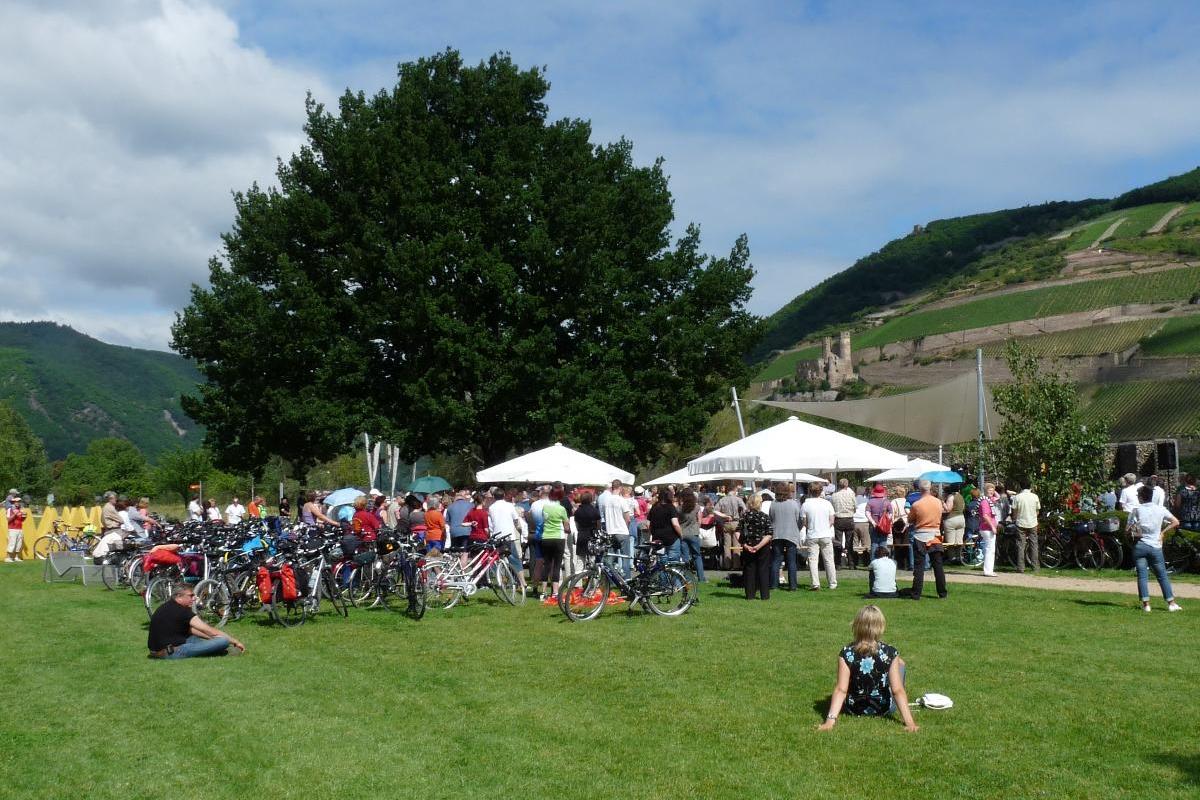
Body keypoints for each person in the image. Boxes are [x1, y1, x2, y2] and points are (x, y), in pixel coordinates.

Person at [817, 605, 918, 732]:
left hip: (853, 708)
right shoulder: (890, 652)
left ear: (857, 625)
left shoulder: (846, 653)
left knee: (896, 663)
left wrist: (829, 722)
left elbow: (841, 689)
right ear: (880, 626)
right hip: (884, 708)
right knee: (900, 665)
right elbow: (897, 690)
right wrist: (910, 723)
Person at [148, 584, 245, 659]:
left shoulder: (167, 606)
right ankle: (222, 648)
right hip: (170, 652)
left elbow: (191, 631)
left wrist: (212, 639)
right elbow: (211, 631)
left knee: (196, 638)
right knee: (223, 641)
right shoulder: (183, 611)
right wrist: (235, 642)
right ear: (179, 596)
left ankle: (218, 648)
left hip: (156, 651)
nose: (194, 598)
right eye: (191, 595)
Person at [1127, 483, 1183, 613]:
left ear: (1141, 497)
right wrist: (1162, 532)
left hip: (1140, 545)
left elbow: (1127, 530)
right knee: (1162, 575)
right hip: (1155, 545)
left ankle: (1146, 604)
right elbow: (1176, 521)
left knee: (1142, 576)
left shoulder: (1136, 510)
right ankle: (1171, 603)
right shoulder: (1160, 509)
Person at [907, 480, 947, 600]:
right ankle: (942, 593)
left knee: (919, 567)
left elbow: (910, 520)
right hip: (935, 535)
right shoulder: (938, 502)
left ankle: (916, 593)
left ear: (919, 489)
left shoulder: (917, 505)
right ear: (930, 488)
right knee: (938, 566)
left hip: (920, 535)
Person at [801, 482, 837, 590]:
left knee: (813, 560)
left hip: (812, 534)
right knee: (829, 560)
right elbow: (832, 520)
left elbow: (804, 521)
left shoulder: (806, 504)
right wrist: (825, 527)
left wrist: (811, 526)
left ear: (810, 491)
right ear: (821, 491)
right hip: (825, 534)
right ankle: (832, 583)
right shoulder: (827, 503)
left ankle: (815, 583)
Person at [737, 493, 773, 600]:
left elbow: (737, 532)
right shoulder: (764, 516)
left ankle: (750, 595)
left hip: (748, 545)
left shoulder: (744, 516)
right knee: (763, 570)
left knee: (749, 570)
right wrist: (759, 546)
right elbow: (769, 534)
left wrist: (745, 545)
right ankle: (765, 595)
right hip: (762, 546)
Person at [768, 485, 802, 591]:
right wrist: (797, 529)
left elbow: (771, 518)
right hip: (791, 534)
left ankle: (774, 585)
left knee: (776, 560)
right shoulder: (794, 504)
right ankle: (792, 586)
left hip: (776, 534)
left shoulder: (773, 504)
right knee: (791, 561)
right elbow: (799, 519)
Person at [539, 487, 570, 600]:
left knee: (546, 564)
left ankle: (543, 592)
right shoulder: (561, 509)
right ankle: (555, 592)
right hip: (558, 538)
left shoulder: (545, 507)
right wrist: (568, 529)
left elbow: (544, 520)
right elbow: (566, 525)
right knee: (556, 566)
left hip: (546, 537)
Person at [599, 480, 632, 578]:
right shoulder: (621, 500)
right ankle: (627, 579)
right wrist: (626, 527)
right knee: (625, 557)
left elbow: (605, 515)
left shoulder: (606, 500)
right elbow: (628, 518)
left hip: (610, 531)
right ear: (620, 488)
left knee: (610, 558)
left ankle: (610, 579)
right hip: (622, 531)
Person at [1010, 480, 1041, 574]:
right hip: (1033, 522)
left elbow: (1014, 511)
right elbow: (1037, 510)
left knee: (1020, 545)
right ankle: (1035, 567)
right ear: (1030, 486)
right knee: (1034, 544)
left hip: (1021, 522)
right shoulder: (1035, 496)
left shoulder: (1017, 497)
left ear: (1020, 487)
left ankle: (1020, 567)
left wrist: (1015, 519)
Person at [678, 488, 706, 586]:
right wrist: (697, 528)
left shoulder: (679, 508)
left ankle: (686, 578)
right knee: (697, 556)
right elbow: (700, 520)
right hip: (693, 533)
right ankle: (701, 578)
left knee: (685, 557)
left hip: (682, 534)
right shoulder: (697, 507)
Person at [648, 487, 683, 563]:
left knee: (661, 561)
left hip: (657, 538)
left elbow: (650, 524)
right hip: (671, 538)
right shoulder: (671, 507)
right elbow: (675, 524)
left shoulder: (654, 507)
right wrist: (681, 535)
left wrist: (652, 534)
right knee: (673, 562)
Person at [716, 485, 745, 569]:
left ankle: (727, 565)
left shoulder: (722, 499)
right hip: (736, 522)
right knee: (736, 544)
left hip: (726, 523)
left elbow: (715, 510)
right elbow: (745, 509)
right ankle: (736, 565)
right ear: (734, 490)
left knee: (727, 545)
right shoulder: (738, 499)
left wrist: (724, 516)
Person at [831, 479, 857, 564]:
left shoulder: (834, 495)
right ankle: (851, 562)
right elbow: (855, 507)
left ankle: (838, 563)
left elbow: (832, 508)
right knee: (849, 542)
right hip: (849, 519)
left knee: (838, 542)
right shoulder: (851, 494)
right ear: (847, 485)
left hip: (839, 519)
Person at [942, 485, 966, 565]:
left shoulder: (951, 497)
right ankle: (960, 558)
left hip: (951, 519)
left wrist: (942, 503)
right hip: (961, 518)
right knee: (959, 541)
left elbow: (948, 509)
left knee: (950, 542)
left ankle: (952, 558)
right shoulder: (961, 496)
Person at [865, 483, 890, 561]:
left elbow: (867, 513)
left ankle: (873, 562)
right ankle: (884, 561)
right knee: (883, 543)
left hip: (874, 526)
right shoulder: (887, 502)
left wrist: (873, 522)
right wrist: (886, 520)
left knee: (874, 544)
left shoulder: (870, 502)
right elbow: (891, 514)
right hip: (884, 526)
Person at [978, 486, 998, 576]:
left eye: (992, 491)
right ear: (985, 491)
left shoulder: (989, 500)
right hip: (987, 528)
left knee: (990, 549)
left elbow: (998, 497)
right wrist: (992, 527)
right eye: (989, 490)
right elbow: (985, 516)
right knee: (990, 549)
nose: (992, 492)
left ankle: (989, 570)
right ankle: (988, 571)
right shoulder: (985, 502)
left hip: (988, 528)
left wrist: (993, 490)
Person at [5, 495, 26, 562]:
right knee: (12, 543)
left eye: (19, 501)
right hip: (12, 528)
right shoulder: (9, 509)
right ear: (13, 502)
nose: (17, 503)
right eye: (16, 501)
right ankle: (8, 558)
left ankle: (16, 557)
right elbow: (8, 520)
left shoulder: (20, 509)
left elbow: (22, 520)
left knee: (19, 544)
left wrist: (24, 516)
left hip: (20, 528)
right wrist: (14, 514)